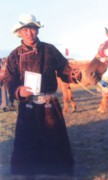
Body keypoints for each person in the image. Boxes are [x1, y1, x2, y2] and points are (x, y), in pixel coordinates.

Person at [4, 14, 81, 176]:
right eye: (25, 30)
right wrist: (18, 90)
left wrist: (72, 74)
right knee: (28, 143)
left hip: (49, 105)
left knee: (54, 140)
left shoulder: (50, 50)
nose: (29, 33)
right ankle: (28, 174)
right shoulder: (14, 55)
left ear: (37, 30)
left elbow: (64, 70)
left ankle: (58, 173)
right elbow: (9, 80)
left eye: (32, 29)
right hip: (27, 106)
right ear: (19, 33)